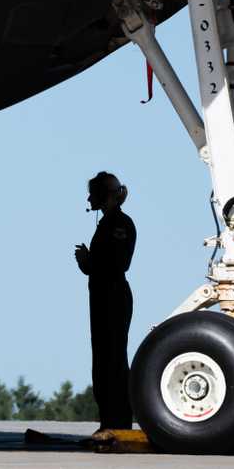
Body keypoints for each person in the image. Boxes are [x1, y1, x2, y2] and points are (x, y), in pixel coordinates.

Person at [74, 171, 136, 432]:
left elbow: (118, 264)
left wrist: (90, 262)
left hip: (111, 297)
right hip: (102, 296)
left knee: (111, 361)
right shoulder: (110, 223)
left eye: (93, 193)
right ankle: (109, 421)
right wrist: (88, 264)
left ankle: (117, 421)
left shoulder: (119, 224)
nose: (89, 198)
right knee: (103, 359)